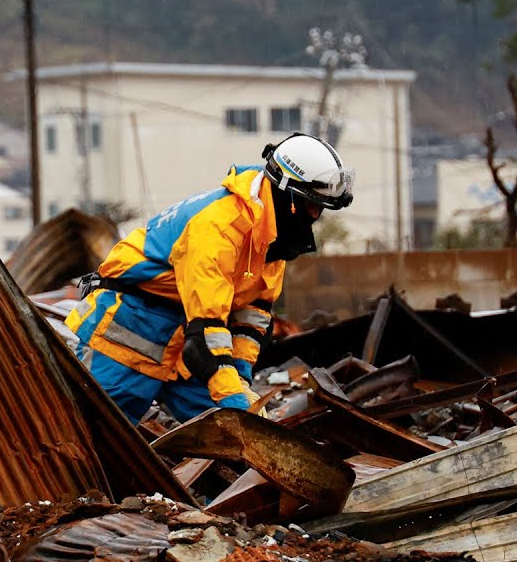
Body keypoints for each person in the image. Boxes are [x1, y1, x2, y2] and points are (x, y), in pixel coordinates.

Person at [66, 133, 354, 424]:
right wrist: (238, 407)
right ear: (287, 195)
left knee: (224, 430)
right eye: (311, 206)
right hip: (130, 330)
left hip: (185, 339)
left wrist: (240, 381)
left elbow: (252, 316)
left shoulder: (271, 238)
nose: (315, 216)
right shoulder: (218, 228)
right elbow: (206, 336)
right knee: (101, 434)